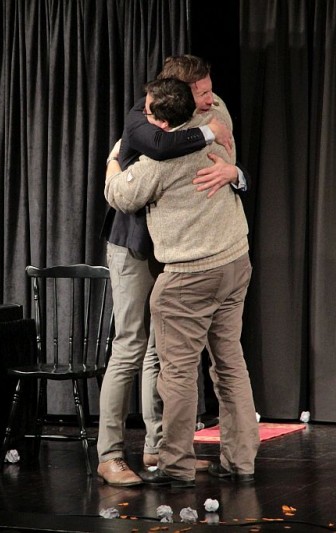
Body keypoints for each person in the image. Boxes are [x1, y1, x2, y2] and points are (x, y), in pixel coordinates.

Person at [96, 55, 249, 487]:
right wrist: (116, 162)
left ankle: (159, 448)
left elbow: (135, 175)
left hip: (182, 253)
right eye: (201, 93)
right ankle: (110, 455)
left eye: (210, 90)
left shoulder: (212, 112)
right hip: (135, 245)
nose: (210, 100)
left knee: (162, 355)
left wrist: (234, 171)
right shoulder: (145, 122)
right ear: (173, 94)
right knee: (131, 347)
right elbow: (154, 152)